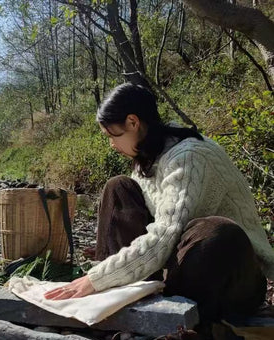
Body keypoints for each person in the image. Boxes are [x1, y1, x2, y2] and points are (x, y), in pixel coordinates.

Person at [44, 83, 273, 324]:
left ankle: (177, 309)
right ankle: (124, 294)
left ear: (133, 122)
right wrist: (109, 269)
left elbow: (165, 234)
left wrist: (96, 279)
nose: (112, 144)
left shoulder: (190, 157)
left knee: (216, 231)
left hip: (232, 277)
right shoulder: (149, 156)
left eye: (113, 135)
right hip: (181, 265)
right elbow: (151, 228)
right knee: (118, 187)